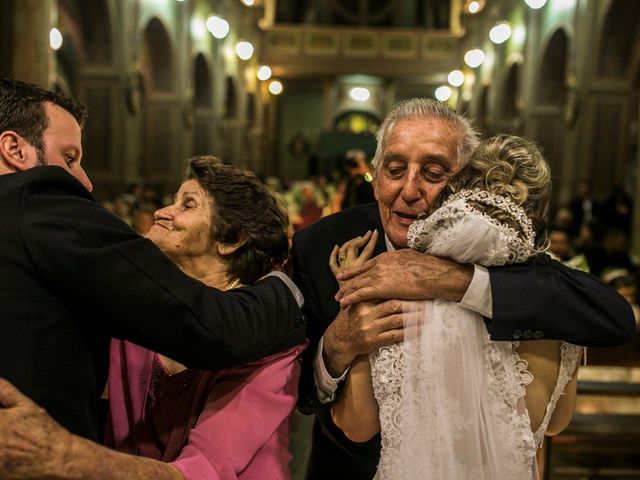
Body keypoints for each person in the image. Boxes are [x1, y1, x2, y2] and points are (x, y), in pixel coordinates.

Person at [291, 98, 635, 479]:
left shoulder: (507, 258)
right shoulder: (322, 244)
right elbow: (296, 387)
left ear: (465, 185)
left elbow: (613, 315)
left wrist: (456, 281)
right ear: (375, 175)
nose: (409, 189)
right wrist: (337, 348)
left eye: (433, 173)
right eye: (394, 169)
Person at [0, 77, 304, 459]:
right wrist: (293, 285)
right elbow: (214, 328)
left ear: (232, 240)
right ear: (14, 148)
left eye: (187, 204)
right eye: (70, 158)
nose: (85, 181)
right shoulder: (40, 203)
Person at [330, 135, 582, 479]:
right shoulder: (563, 312)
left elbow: (356, 424)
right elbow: (557, 423)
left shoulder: (399, 295)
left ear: (457, 198)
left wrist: (353, 297)